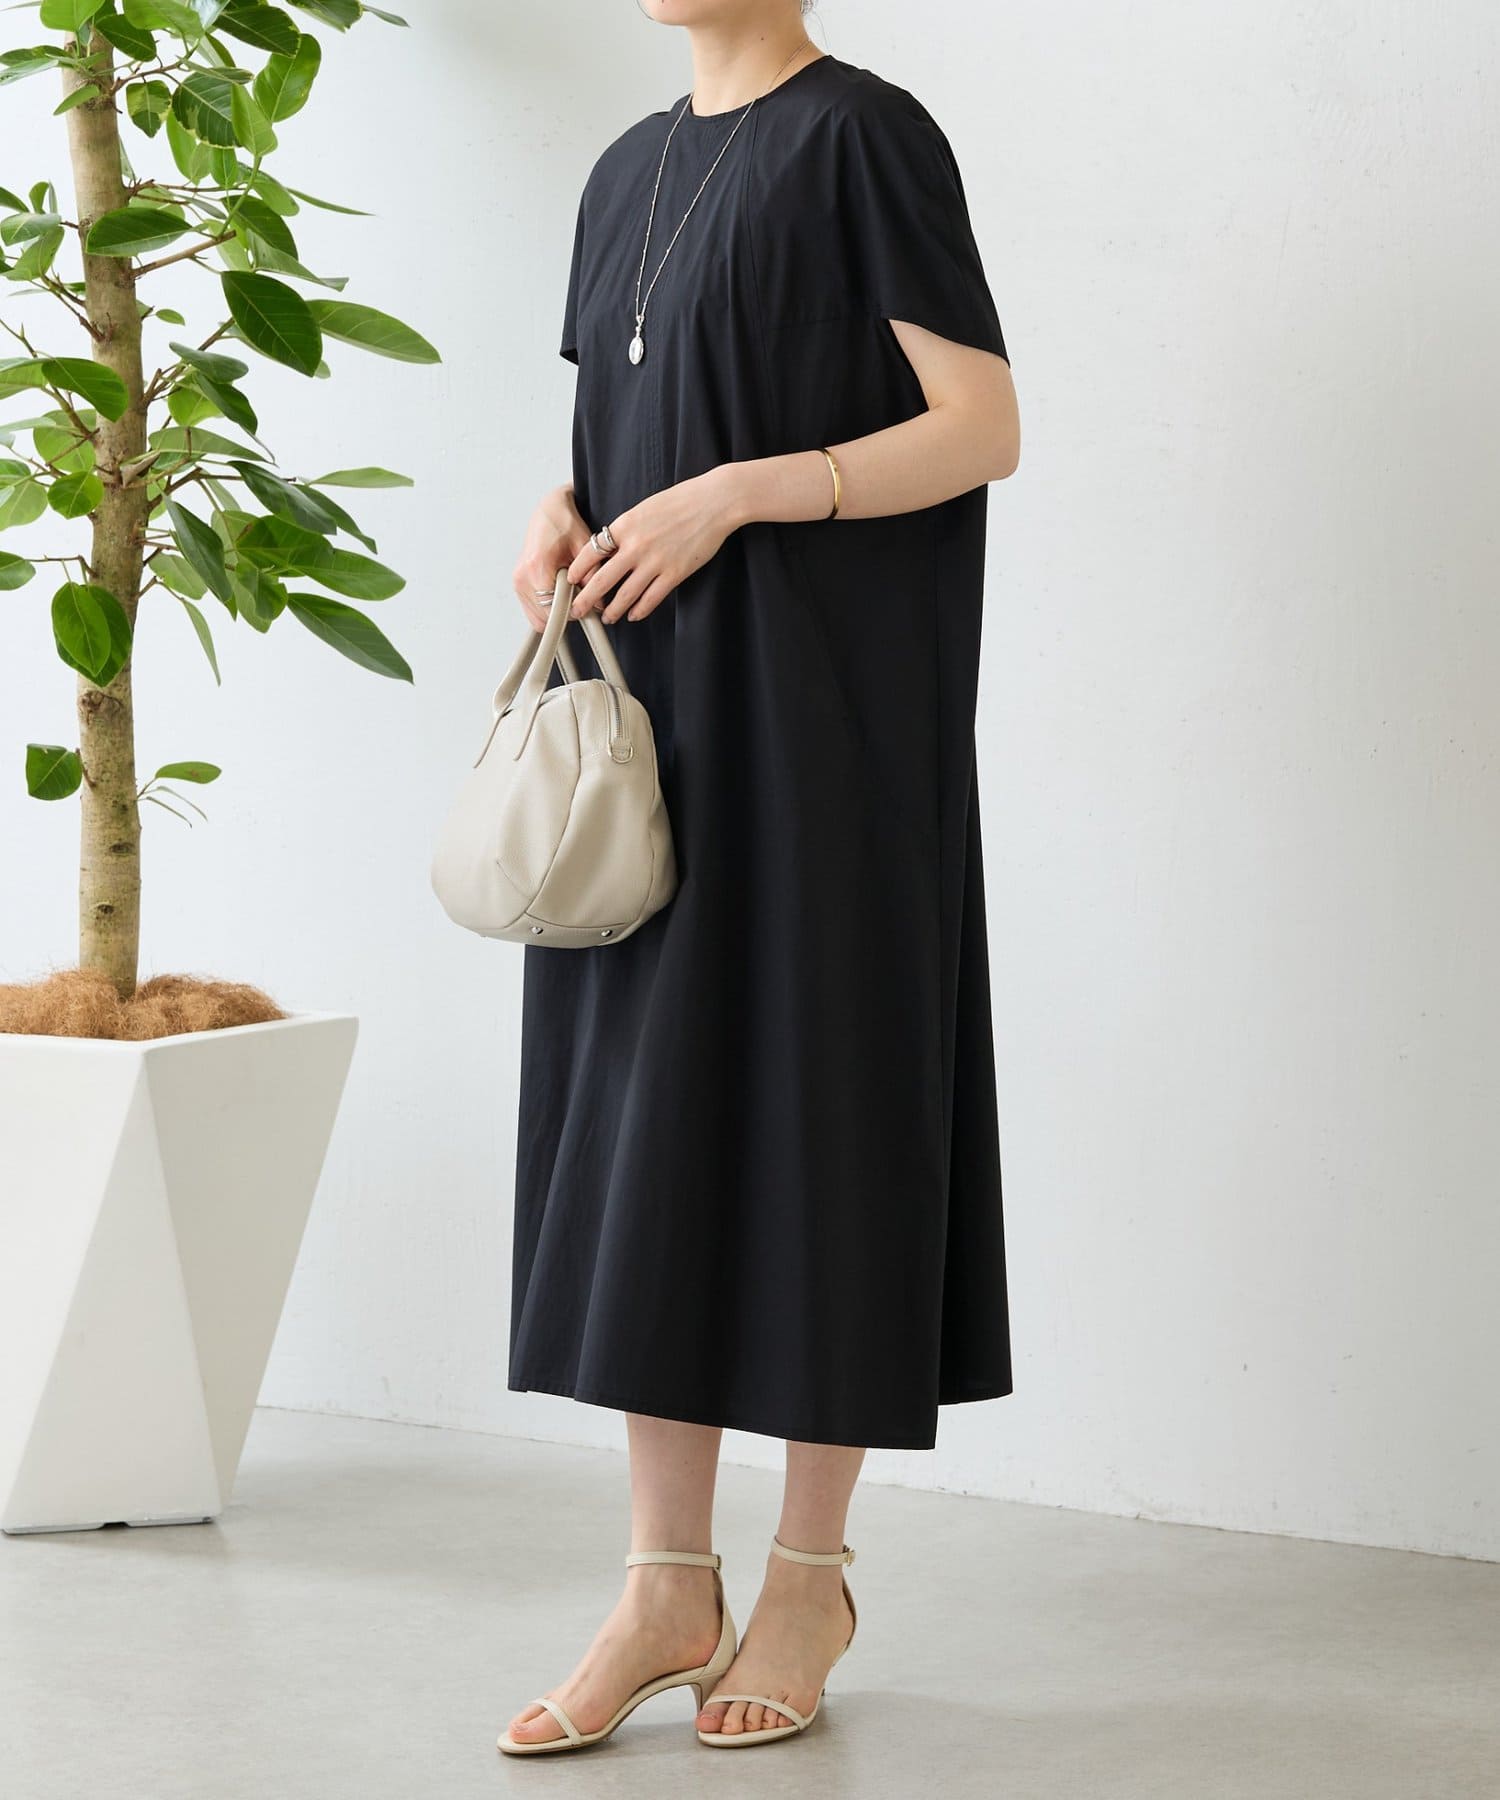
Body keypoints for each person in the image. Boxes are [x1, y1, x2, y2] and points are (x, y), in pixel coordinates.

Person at [498, 0, 1021, 1755]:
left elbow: (982, 426)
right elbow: (629, 406)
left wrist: (739, 495)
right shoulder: (623, 169)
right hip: (649, 728)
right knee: (648, 1125)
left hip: (826, 724)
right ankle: (665, 1583)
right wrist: (560, 510)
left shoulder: (866, 135)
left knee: (819, 1119)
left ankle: (808, 1575)